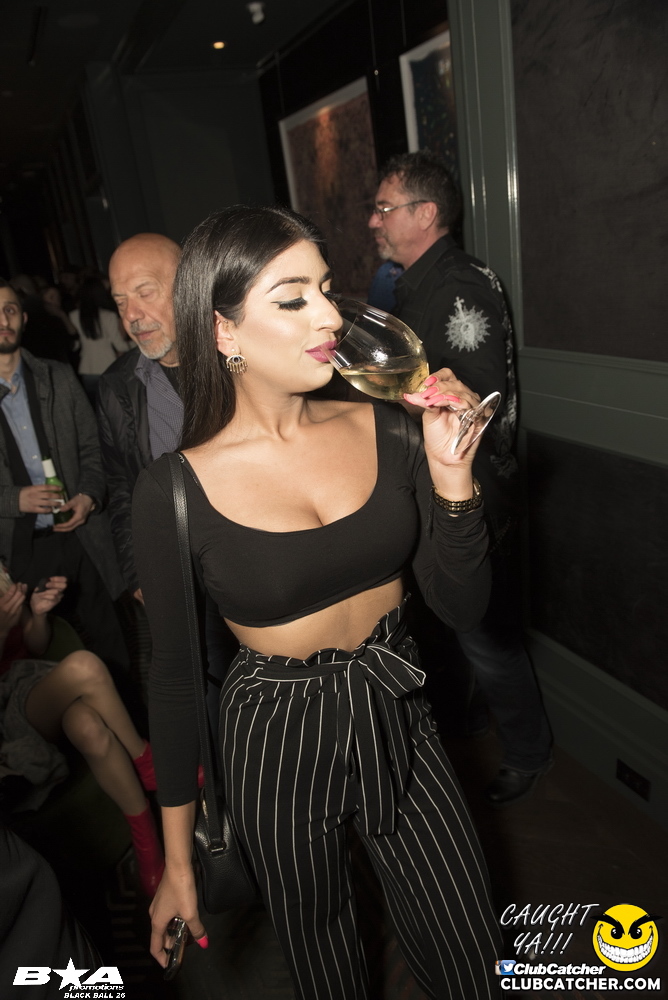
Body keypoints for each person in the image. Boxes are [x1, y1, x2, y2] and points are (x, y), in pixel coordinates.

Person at [132, 205, 502, 1000]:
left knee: (468, 943)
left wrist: (453, 479)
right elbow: (173, 678)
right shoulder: (173, 491)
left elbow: (463, 607)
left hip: (397, 701)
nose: (331, 316)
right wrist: (177, 861)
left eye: (327, 289)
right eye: (293, 298)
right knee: (325, 959)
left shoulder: (388, 429)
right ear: (223, 330)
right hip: (274, 732)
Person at [369, 151, 552, 805]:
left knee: (486, 637)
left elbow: (475, 405)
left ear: (426, 214)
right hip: (438, 486)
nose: (373, 221)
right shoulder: (414, 283)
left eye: (384, 208)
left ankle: (528, 752)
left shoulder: (458, 286)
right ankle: (471, 722)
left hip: (473, 494)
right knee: (454, 625)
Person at [0, 572, 164, 895]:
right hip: (6, 710)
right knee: (84, 666)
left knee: (88, 728)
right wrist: (3, 630)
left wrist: (37, 614)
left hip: (33, 684)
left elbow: (36, 645)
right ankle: (145, 761)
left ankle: (148, 848)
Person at [0, 278, 129, 680]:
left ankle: (129, 717)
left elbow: (93, 447)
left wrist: (89, 495)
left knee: (113, 643)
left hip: (80, 534)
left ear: (23, 318)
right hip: (19, 546)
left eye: (9, 310)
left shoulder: (56, 376)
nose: (2, 320)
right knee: (39, 659)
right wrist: (14, 499)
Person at [98, 234, 182, 604]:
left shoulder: (243, 360)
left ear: (186, 284)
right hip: (178, 575)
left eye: (144, 293)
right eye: (120, 302)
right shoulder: (117, 386)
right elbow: (121, 486)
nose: (131, 315)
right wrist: (136, 572)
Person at [69, 276, 129, 402]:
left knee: (95, 406)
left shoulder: (74, 315)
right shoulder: (108, 315)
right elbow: (119, 345)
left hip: (87, 367)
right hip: (108, 366)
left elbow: (76, 344)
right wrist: (133, 344)